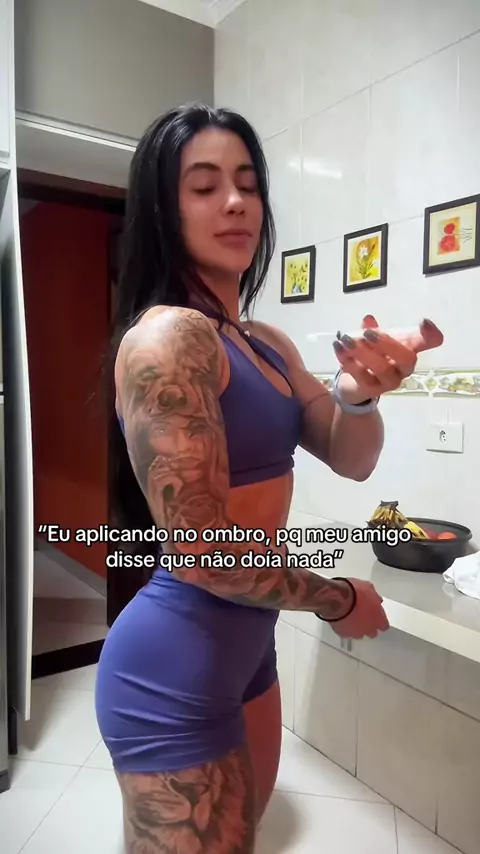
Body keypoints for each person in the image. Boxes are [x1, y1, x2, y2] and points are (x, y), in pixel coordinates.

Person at [95, 103, 444, 853]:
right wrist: (337, 598)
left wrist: (360, 396)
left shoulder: (266, 342)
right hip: (173, 669)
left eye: (249, 184)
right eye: (204, 185)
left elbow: (352, 457)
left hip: (249, 647)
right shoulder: (169, 338)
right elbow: (202, 550)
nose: (235, 202)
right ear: (162, 207)